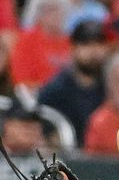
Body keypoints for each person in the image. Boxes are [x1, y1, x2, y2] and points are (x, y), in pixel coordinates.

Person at [37, 20, 109, 148]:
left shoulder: (112, 86)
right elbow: (46, 132)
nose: (93, 51)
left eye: (99, 44)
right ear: (73, 48)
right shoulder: (55, 90)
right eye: (86, 44)